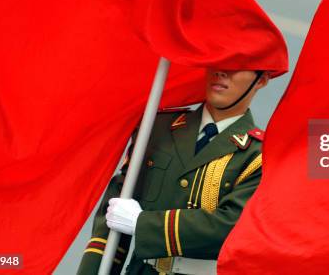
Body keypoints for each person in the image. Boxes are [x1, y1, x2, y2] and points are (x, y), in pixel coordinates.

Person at [77, 68, 270, 274]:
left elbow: (231, 226)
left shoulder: (259, 154)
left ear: (261, 80)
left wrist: (143, 224)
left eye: (236, 66)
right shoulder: (157, 128)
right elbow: (115, 212)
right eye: (217, 62)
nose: (221, 72)